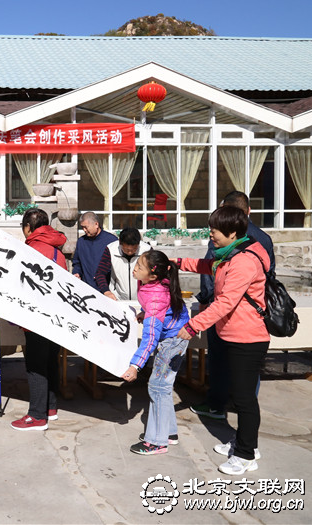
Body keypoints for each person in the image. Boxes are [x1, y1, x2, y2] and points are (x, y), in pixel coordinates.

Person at [177, 205, 270, 476]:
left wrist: (194, 325)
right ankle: (243, 442)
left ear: (232, 232)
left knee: (243, 398)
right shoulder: (230, 254)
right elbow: (208, 266)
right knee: (238, 394)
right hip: (231, 335)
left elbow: (227, 301)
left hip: (247, 338)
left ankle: (246, 454)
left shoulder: (244, 261)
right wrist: (178, 263)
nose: (211, 235)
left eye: (215, 230)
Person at [191, 191, 275, 420]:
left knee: (220, 363)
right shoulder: (262, 239)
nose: (211, 235)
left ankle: (219, 406)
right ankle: (242, 407)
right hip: (252, 318)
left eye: (214, 230)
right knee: (247, 378)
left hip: (236, 323)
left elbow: (221, 289)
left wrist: (197, 317)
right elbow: (269, 274)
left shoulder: (233, 247)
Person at [122, 249, 190, 455]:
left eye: (139, 267)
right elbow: (162, 307)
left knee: (158, 387)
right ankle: (168, 432)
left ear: (153, 275)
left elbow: (150, 338)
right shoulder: (154, 284)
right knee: (163, 386)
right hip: (175, 337)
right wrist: (147, 313)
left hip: (173, 342)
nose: (135, 269)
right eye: (136, 264)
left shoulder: (155, 299)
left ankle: (157, 442)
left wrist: (135, 366)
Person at [10, 208, 68, 431]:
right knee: (50, 361)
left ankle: (37, 416)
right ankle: (50, 408)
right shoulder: (57, 250)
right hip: (56, 315)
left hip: (36, 316)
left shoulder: (30, 250)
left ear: (28, 228)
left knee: (36, 366)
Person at [94, 227, 145, 302]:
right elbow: (100, 273)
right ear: (120, 242)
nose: (130, 252)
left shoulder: (146, 251)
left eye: (134, 249)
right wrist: (106, 291)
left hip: (143, 299)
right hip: (117, 298)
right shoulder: (111, 249)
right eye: (127, 249)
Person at [71, 212, 117, 290]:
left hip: (107, 289)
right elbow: (77, 262)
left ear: (96, 224)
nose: (84, 230)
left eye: (86, 227)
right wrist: (76, 273)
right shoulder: (81, 242)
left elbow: (116, 265)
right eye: (82, 227)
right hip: (86, 288)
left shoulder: (112, 241)